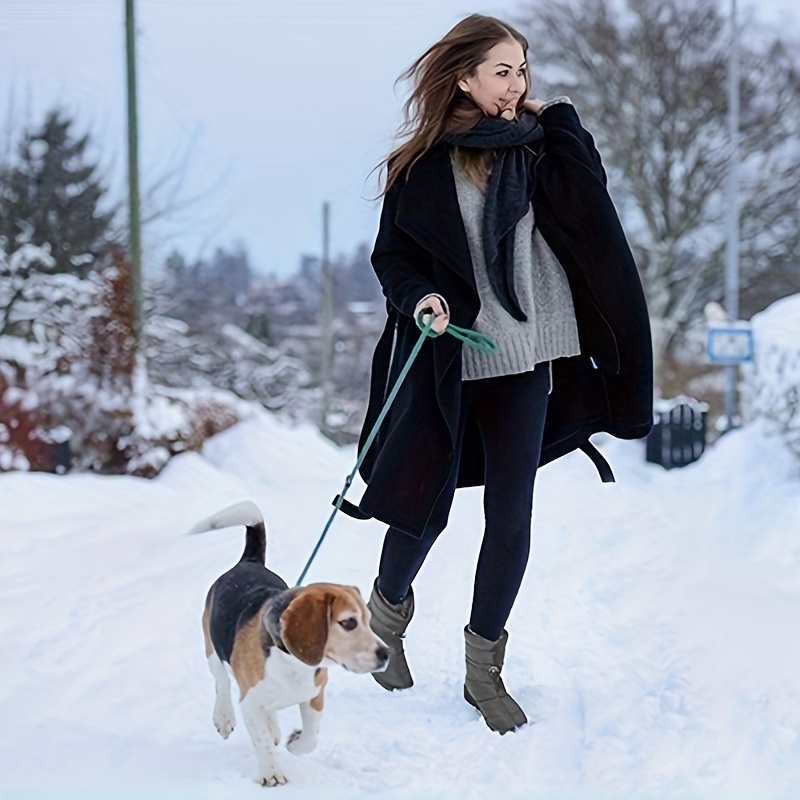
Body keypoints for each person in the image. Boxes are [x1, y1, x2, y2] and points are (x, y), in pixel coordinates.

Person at [347, 14, 653, 734]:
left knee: (510, 513)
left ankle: (484, 672)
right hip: (451, 354)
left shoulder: (543, 151)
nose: (517, 86)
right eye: (502, 72)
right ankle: (386, 618)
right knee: (423, 503)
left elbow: (592, 200)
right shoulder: (419, 168)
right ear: (464, 77)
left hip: (528, 356)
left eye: (523, 70)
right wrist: (420, 298)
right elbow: (394, 258)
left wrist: (564, 118)